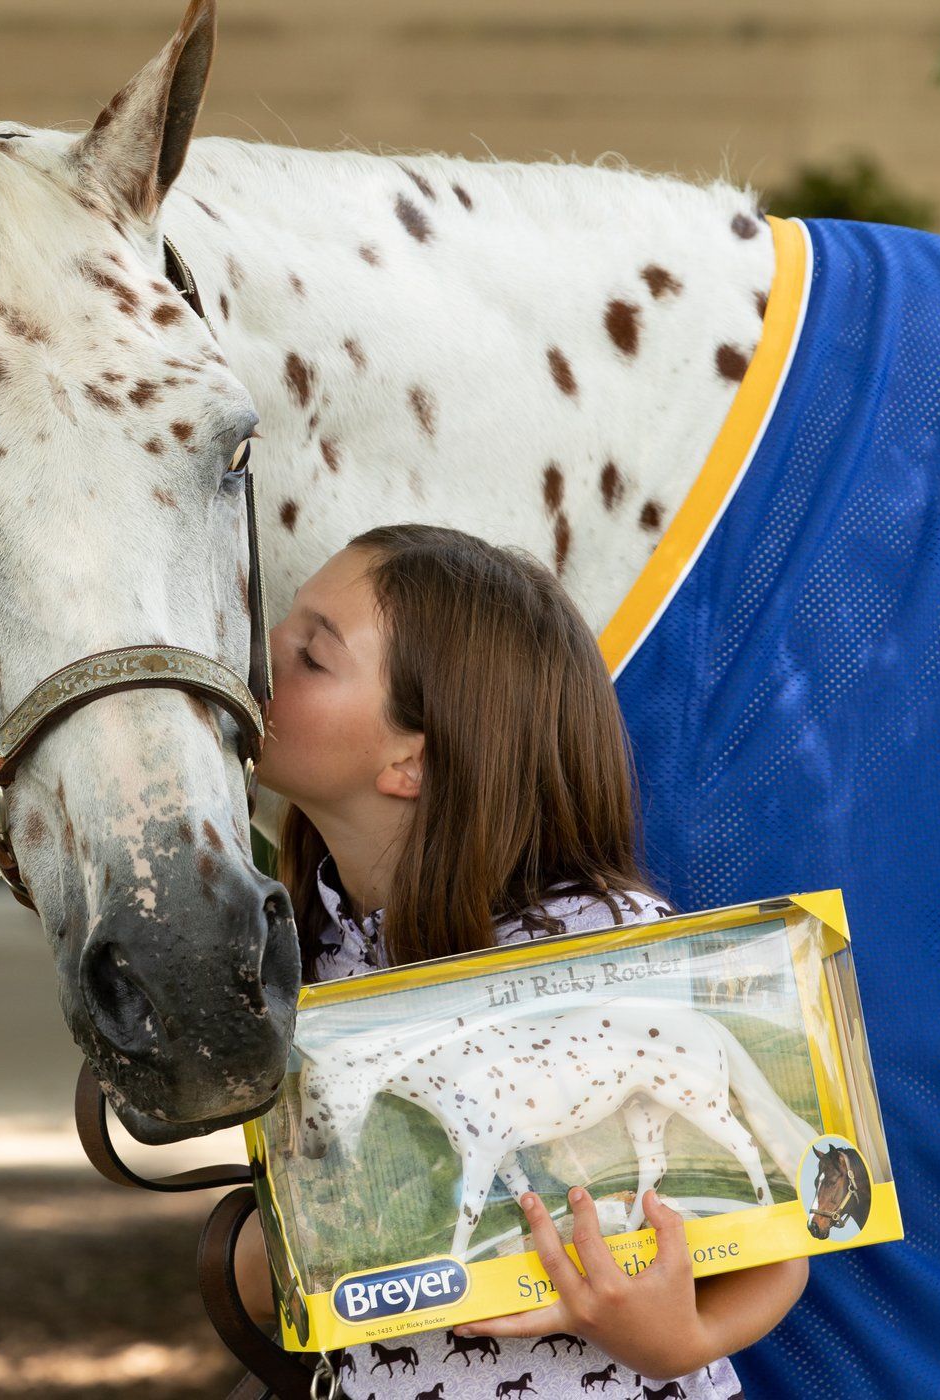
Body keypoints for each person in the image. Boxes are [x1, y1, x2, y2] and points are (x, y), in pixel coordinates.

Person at [232, 523, 808, 1398]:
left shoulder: (605, 943)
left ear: (409, 762)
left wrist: (680, 1338)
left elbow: (780, 1247)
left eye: (311, 655)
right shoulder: (311, 943)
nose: (261, 650)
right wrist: (272, 1243)